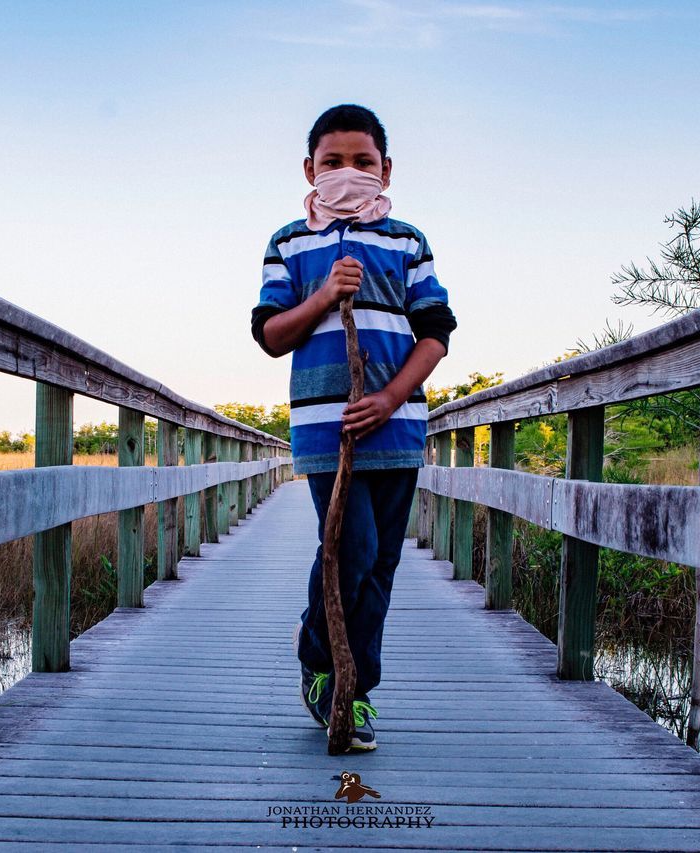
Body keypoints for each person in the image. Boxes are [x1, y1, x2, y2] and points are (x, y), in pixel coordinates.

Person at [251, 104, 456, 751]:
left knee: (383, 564)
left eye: (362, 161)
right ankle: (321, 659)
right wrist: (322, 295)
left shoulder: (406, 241)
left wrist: (392, 396)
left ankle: (354, 690)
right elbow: (270, 333)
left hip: (395, 427)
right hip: (325, 430)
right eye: (333, 162)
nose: (348, 173)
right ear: (309, 169)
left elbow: (436, 332)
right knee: (351, 548)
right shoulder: (290, 242)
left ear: (386, 169)